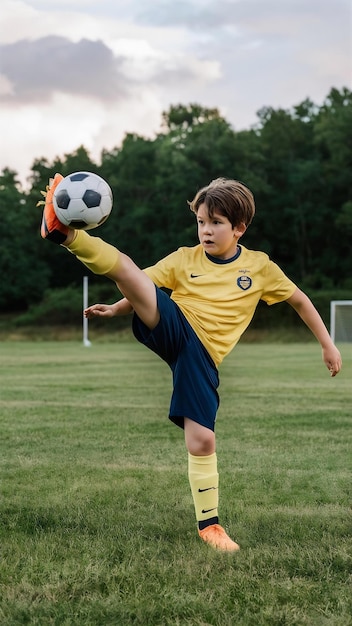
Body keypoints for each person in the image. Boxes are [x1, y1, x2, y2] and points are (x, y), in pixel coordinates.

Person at [40, 173, 342, 552]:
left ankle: (209, 527)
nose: (206, 230)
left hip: (202, 356)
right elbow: (141, 284)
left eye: (216, 223)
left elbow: (300, 299)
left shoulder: (260, 268)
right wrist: (116, 310)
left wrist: (327, 345)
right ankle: (66, 235)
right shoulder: (185, 259)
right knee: (130, 269)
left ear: (239, 229)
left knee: (202, 440)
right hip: (177, 326)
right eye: (201, 221)